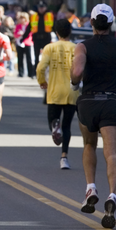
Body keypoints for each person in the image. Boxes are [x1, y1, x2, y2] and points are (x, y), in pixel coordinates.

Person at [70, 4, 116, 229]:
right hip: (110, 101)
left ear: (91, 22)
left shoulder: (83, 47)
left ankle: (91, 187)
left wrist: (73, 81)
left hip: (88, 102)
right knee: (113, 155)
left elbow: (78, 72)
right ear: (111, 24)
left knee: (89, 145)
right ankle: (112, 196)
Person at [36, 19, 79, 169]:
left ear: (56, 33)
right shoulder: (76, 48)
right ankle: (64, 158)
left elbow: (41, 68)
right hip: (71, 92)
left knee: (52, 120)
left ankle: (55, 126)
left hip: (54, 91)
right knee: (67, 125)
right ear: (70, 32)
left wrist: (42, 81)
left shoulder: (49, 48)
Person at [31, 1, 54, 67]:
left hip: (46, 38)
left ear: (45, 8)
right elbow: (29, 27)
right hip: (36, 38)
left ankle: (46, 70)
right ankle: (36, 72)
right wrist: (24, 38)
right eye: (40, 7)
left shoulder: (49, 15)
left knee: (46, 56)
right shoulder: (34, 16)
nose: (41, 9)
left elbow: (54, 26)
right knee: (36, 56)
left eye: (42, 7)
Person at [13, 12, 35, 78]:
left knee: (29, 59)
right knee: (20, 58)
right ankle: (20, 73)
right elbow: (15, 34)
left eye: (23, 18)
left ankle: (31, 73)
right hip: (19, 43)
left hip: (28, 43)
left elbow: (30, 34)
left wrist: (23, 34)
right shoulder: (18, 26)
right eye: (21, 18)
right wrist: (19, 34)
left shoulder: (29, 25)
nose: (22, 19)